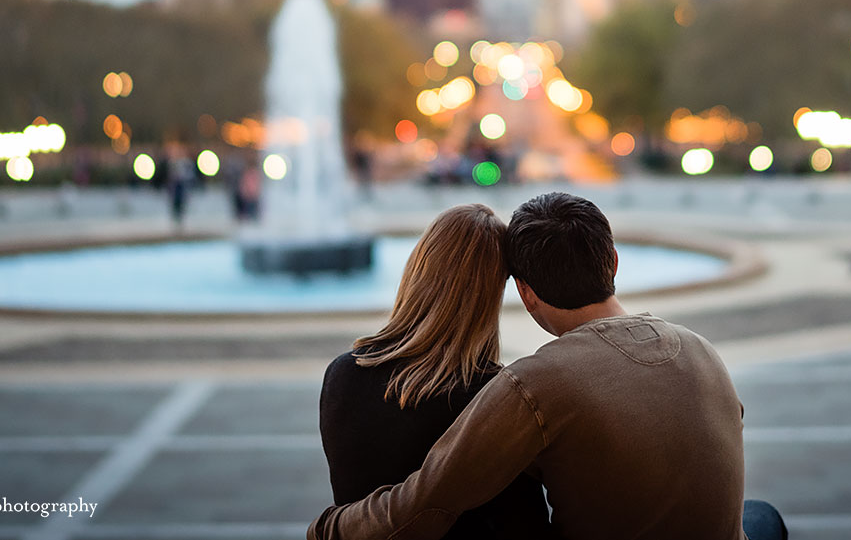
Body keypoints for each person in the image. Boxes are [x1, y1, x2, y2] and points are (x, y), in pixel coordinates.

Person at [308, 191, 785, 540]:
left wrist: (329, 527)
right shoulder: (702, 349)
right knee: (762, 516)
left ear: (526, 294)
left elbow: (427, 501)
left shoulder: (535, 384)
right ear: (613, 262)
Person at [318, 204, 549, 540]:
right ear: (492, 292)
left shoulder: (343, 374)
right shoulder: (495, 396)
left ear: (418, 266)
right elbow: (524, 524)